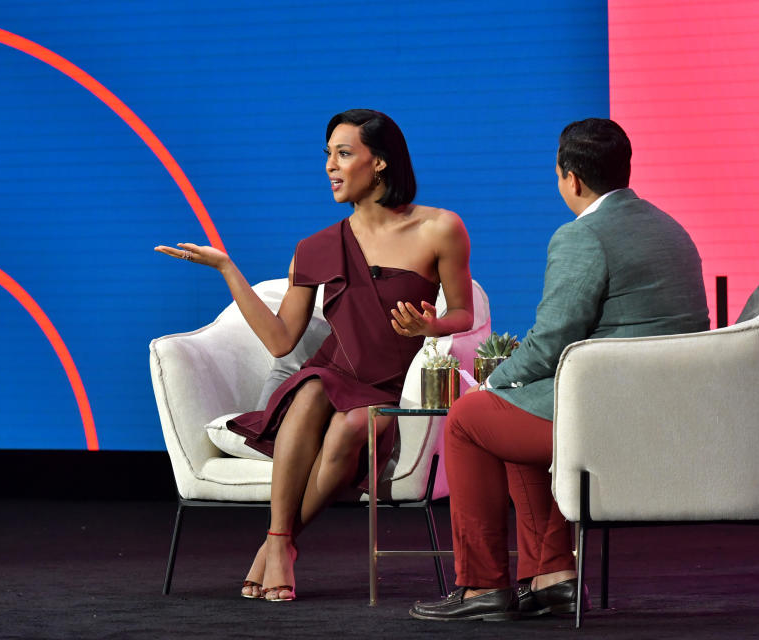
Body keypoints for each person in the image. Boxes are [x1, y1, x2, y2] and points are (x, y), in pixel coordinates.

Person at [156, 109, 473, 602]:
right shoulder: (315, 247)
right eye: (328, 155)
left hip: (390, 386)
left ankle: (277, 543)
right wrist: (226, 268)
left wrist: (431, 326)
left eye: (344, 154)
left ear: (381, 162)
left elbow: (464, 316)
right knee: (309, 388)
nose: (331, 165)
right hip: (334, 372)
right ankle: (281, 545)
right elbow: (282, 341)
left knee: (352, 427)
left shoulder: (440, 228)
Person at [409, 118, 709, 622]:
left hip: (605, 416)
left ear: (570, 178)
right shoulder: (672, 230)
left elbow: (551, 342)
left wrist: (494, 380)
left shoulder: (583, 235)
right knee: (512, 417)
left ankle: (482, 586)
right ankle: (553, 578)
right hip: (665, 414)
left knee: (468, 418)